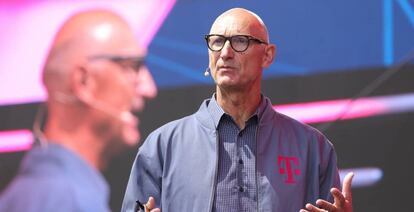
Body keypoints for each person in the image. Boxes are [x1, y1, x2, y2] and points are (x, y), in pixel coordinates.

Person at [122, 7, 353, 212]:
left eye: (240, 41)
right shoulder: (162, 146)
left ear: (268, 55)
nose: (225, 53)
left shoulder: (312, 147)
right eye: (216, 41)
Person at [0, 9, 159, 212]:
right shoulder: (64, 199)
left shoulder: (39, 193)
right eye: (134, 67)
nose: (149, 89)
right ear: (84, 82)